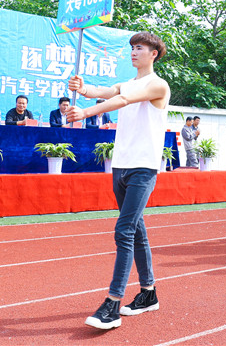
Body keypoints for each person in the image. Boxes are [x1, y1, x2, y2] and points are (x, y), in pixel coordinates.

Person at [67, 32, 170, 330]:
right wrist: (83, 88)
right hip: (121, 166)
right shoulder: (128, 82)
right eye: (132, 48)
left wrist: (86, 112)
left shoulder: (157, 84)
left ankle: (112, 303)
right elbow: (106, 90)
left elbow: (122, 99)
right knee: (136, 229)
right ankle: (148, 293)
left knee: (123, 230)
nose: (134, 52)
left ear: (154, 53)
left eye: (140, 48)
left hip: (142, 167)